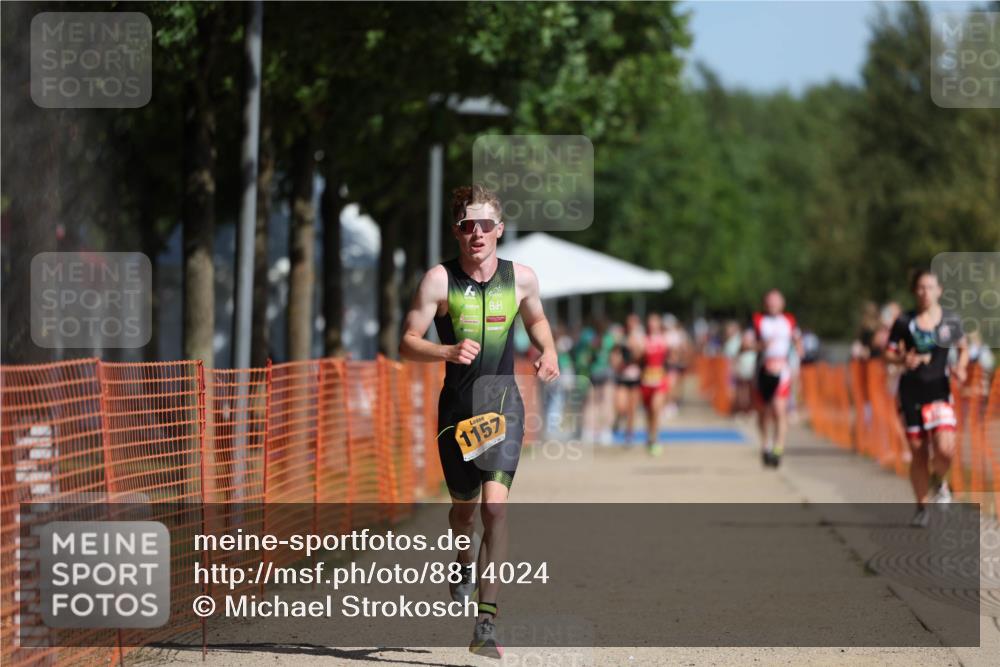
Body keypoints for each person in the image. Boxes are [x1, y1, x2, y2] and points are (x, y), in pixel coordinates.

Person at [399, 184, 559, 658]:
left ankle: (485, 625)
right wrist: (445, 350)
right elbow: (407, 341)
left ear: (500, 230)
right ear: (456, 231)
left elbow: (538, 321)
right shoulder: (438, 281)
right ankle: (462, 559)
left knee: (496, 509)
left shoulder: (522, 278)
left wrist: (548, 350)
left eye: (486, 224)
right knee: (464, 513)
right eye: (468, 225)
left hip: (503, 406)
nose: (477, 233)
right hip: (457, 412)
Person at [884, 269, 968, 528]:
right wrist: (901, 359)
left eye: (930, 287)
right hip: (911, 394)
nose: (925, 292)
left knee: (944, 448)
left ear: (939, 290)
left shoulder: (949, 321)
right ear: (914, 291)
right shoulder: (904, 321)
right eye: (920, 287)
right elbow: (887, 352)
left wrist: (961, 367)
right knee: (919, 454)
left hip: (939, 392)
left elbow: (963, 348)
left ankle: (940, 481)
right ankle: (922, 507)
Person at [752, 289, 803, 468]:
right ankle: (765, 444)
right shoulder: (758, 320)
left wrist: (798, 347)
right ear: (765, 304)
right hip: (763, 370)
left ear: (782, 304)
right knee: (763, 413)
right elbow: (746, 344)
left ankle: (778, 448)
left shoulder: (789, 321)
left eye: (776, 301)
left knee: (779, 409)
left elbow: (797, 338)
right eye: (770, 301)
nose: (773, 305)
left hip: (782, 371)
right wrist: (759, 346)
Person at [639, 312, 671, 456]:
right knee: (649, 411)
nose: (652, 325)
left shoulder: (665, 340)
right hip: (646, 379)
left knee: (656, 407)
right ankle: (649, 436)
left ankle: (655, 439)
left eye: (655, 322)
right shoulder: (644, 340)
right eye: (650, 322)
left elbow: (672, 357)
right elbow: (638, 359)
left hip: (660, 379)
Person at [613, 313, 644, 444]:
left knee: (632, 408)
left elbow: (640, 357)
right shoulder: (621, 337)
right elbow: (615, 357)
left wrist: (635, 346)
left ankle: (629, 432)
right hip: (623, 376)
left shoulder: (641, 339)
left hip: (636, 377)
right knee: (621, 406)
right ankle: (619, 419)